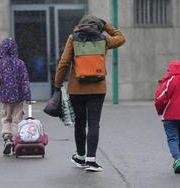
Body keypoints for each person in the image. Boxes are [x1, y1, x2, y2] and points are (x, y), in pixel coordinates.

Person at [54, 15, 125, 172]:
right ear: (98, 26)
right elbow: (121, 38)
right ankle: (91, 159)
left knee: (80, 122)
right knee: (93, 123)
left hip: (76, 88)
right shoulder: (103, 39)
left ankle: (80, 157)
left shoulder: (73, 38)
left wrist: (57, 83)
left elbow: (64, 62)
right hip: (97, 88)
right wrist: (106, 25)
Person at [0, 37, 31, 155]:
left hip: (5, 97)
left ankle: (7, 138)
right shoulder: (20, 63)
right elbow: (25, 81)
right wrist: (27, 96)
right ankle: (14, 139)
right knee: (16, 120)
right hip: (18, 97)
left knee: (6, 118)